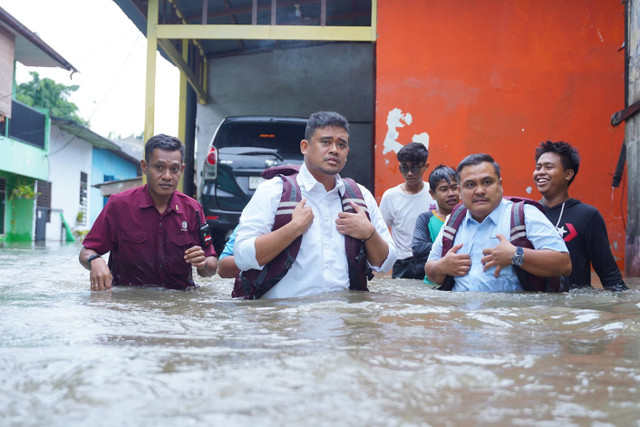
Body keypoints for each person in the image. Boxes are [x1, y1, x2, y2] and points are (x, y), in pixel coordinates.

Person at [233, 111, 396, 299]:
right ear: (305, 147)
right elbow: (242, 257)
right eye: (325, 142)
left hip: (344, 321)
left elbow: (385, 264)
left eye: (341, 145)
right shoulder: (274, 191)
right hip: (284, 321)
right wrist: (293, 229)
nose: (334, 149)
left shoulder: (360, 197)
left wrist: (369, 234)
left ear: (347, 152)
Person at [79, 134, 218, 291]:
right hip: (129, 301)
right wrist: (95, 260)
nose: (167, 176)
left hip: (179, 301)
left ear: (182, 170)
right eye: (159, 167)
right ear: (144, 167)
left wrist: (203, 263)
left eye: (174, 169)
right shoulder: (119, 205)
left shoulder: (193, 209)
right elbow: (86, 251)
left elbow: (211, 264)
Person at [425, 153, 571, 292]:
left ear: (500, 184)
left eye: (487, 182)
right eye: (470, 185)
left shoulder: (525, 215)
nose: (480, 191)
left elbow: (564, 264)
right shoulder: (454, 220)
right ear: (460, 190)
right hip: (460, 315)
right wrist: (442, 267)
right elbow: (431, 269)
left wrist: (516, 255)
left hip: (512, 315)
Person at [533, 141, 628, 291]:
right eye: (538, 167)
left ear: (568, 174)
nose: (540, 172)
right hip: (534, 308)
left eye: (549, 167)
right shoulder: (526, 213)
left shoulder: (587, 216)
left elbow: (612, 280)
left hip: (573, 309)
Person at [379, 142, 435, 279]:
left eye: (415, 168)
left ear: (425, 167)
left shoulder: (434, 194)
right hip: (402, 262)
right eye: (404, 168)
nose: (409, 173)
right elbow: (380, 231)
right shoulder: (390, 196)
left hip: (431, 260)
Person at [412, 164, 460, 284]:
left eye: (454, 187)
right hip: (433, 285)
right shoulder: (426, 219)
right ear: (432, 194)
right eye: (444, 189)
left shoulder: (468, 217)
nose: (451, 193)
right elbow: (418, 249)